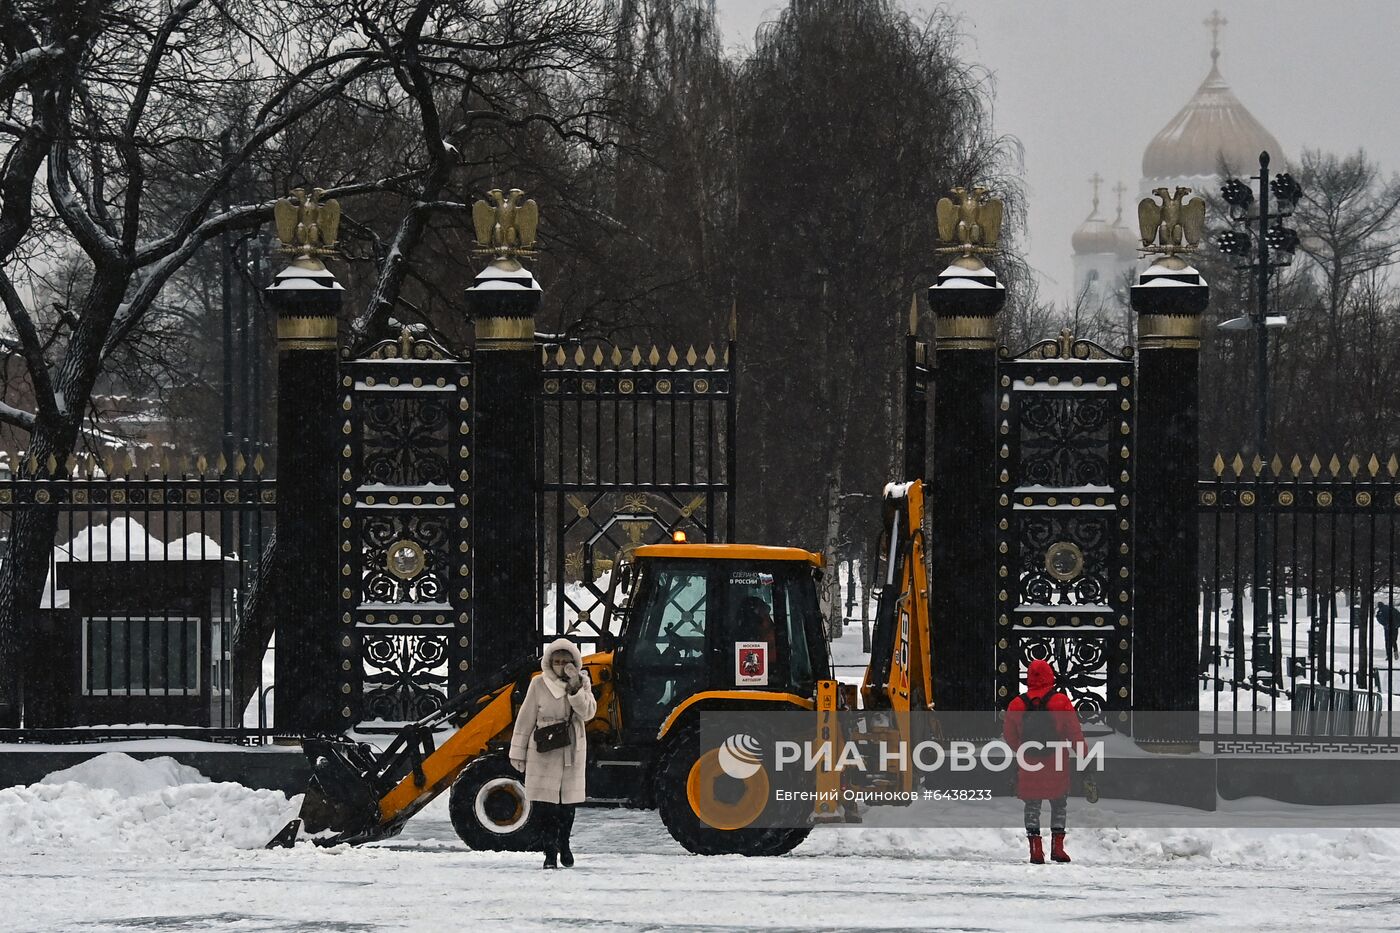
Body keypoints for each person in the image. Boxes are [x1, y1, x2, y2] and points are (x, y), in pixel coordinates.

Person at [510, 637, 597, 869]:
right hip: (544, 749)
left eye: (566, 661)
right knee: (545, 807)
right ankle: (550, 852)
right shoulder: (538, 684)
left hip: (571, 748)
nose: (560, 665)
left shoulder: (582, 682)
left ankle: (564, 844)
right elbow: (525, 718)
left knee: (567, 805)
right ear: (549, 661)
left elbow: (588, 713)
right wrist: (517, 752)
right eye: (556, 661)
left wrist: (575, 687)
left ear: (574, 662)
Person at [1002, 659, 1087, 864]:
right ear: (1050, 675)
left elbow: (1009, 735)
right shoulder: (1060, 701)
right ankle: (1058, 849)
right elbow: (1074, 732)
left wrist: (1023, 750)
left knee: (1032, 806)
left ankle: (1035, 850)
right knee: (1059, 804)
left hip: (1030, 761)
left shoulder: (1017, 704)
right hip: (1056, 759)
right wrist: (1084, 755)